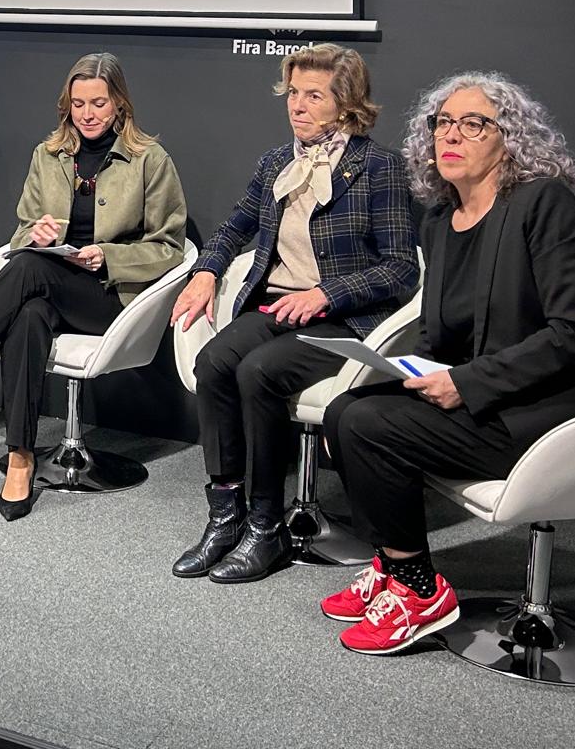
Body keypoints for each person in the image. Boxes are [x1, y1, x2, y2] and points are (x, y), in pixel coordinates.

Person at [318, 72, 575, 655]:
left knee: (370, 426)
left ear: (510, 139)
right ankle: (392, 565)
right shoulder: (440, 219)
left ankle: (418, 590)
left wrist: (466, 382)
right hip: (485, 399)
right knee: (344, 411)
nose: (451, 135)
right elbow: (444, 333)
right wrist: (408, 371)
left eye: (473, 123)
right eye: (442, 123)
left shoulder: (544, 204)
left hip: (548, 412)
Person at [0, 52, 187, 520]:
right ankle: (20, 459)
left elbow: (169, 247)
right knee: (28, 312)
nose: (87, 114)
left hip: (112, 298)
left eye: (99, 103)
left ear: (120, 105)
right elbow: (23, 231)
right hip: (51, 286)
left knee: (28, 270)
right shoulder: (47, 155)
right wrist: (37, 236)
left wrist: (108, 255)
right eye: (78, 103)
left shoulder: (150, 159)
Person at [169, 44, 418, 581]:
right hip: (278, 305)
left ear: (346, 104)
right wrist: (206, 271)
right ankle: (225, 516)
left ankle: (266, 525)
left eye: (314, 96)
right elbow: (234, 227)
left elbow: (401, 268)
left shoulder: (379, 168)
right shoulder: (276, 163)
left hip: (344, 317)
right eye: (293, 93)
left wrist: (328, 294)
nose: (297, 106)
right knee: (214, 361)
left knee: (259, 371)